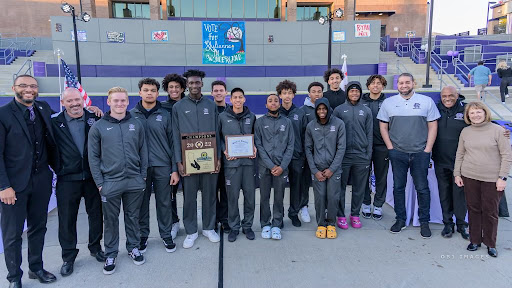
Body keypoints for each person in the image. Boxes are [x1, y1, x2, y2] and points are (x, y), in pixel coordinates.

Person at [0, 75, 58, 287]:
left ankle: (36, 268)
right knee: (12, 234)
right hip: (13, 186)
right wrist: (3, 186)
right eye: (24, 86)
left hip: (41, 180)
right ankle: (14, 277)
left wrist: (93, 111)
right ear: (14, 88)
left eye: (33, 86)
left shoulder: (43, 108)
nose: (29, 89)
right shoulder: (3, 114)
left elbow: (61, 122)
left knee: (38, 227)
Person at [88, 86, 148, 275]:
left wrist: (142, 175)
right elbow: (93, 157)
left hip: (134, 180)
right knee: (111, 220)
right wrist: (100, 183)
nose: (120, 103)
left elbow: (143, 151)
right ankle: (111, 253)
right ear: (109, 102)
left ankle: (133, 247)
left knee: (132, 217)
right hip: (110, 182)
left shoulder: (136, 124)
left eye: (123, 100)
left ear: (127, 102)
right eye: (116, 100)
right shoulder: (98, 127)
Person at [377, 73, 440, 238]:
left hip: (420, 153)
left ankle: (424, 222)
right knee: (398, 188)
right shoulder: (388, 103)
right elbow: (383, 127)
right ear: (397, 85)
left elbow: (433, 126)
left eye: (407, 82)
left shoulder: (426, 101)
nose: (403, 85)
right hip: (398, 153)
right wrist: (390, 147)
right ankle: (400, 219)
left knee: (422, 188)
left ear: (413, 83)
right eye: (400, 83)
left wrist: (427, 150)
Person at [51, 88, 105, 277]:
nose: (74, 104)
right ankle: (68, 256)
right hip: (67, 179)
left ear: (83, 100)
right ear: (62, 103)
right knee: (67, 219)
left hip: (92, 177)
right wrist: (59, 166)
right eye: (69, 101)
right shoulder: (53, 123)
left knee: (96, 215)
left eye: (77, 99)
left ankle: (95, 247)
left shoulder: (95, 118)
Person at [454, 102, 512, 257]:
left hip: (492, 178)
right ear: (467, 116)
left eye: (478, 112)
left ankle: (490, 243)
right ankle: (475, 240)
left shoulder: (498, 131)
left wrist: (502, 177)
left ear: (485, 112)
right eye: (472, 113)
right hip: (470, 175)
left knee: (490, 211)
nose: (475, 115)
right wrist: (457, 173)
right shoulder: (465, 132)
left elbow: (507, 155)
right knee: (473, 209)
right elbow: (460, 153)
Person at [172, 69, 221, 249]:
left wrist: (217, 158)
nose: (194, 85)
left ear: (202, 84)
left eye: (197, 82)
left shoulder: (211, 105)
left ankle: (208, 228)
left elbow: (217, 133)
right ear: (187, 84)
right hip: (188, 160)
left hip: (209, 159)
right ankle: (191, 231)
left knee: (209, 195)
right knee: (189, 197)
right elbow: (176, 137)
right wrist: (179, 161)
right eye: (191, 83)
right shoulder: (178, 107)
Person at [130, 78, 179, 254]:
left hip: (163, 166)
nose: (149, 93)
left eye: (153, 90)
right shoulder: (131, 115)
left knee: (164, 202)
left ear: (158, 94)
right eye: (146, 90)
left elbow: (174, 144)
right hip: (139, 168)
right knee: (141, 204)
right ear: (140, 92)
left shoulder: (166, 115)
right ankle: (143, 236)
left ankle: (166, 235)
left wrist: (174, 169)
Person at [218, 87, 257, 242]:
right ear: (230, 99)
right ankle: (234, 227)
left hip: (248, 164)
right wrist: (224, 150)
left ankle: (247, 226)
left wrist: (254, 147)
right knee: (232, 198)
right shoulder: (222, 117)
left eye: (241, 97)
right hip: (231, 165)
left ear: (244, 99)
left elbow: (256, 136)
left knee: (250, 197)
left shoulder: (252, 117)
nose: (238, 100)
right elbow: (219, 138)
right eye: (235, 97)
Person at [254, 93, 294, 240]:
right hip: (265, 167)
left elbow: (290, 146)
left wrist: (282, 166)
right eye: (270, 101)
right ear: (266, 105)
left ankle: (277, 224)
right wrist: (271, 165)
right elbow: (259, 145)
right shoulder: (259, 122)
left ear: (279, 103)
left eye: (276, 101)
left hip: (282, 167)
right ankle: (265, 223)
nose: (273, 103)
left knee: (279, 196)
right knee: (264, 196)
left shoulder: (287, 122)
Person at [305, 98, 346, 239]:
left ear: (328, 109)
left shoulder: (339, 124)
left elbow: (341, 148)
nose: (321, 112)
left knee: (333, 197)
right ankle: (321, 224)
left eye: (324, 109)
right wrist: (315, 171)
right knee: (320, 197)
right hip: (317, 169)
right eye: (319, 109)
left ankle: (331, 224)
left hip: (334, 169)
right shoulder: (311, 126)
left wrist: (332, 169)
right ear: (316, 110)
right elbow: (308, 149)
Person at [333, 81, 372, 229]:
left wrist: (368, 154)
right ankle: (341, 215)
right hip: (343, 156)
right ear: (347, 93)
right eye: (351, 91)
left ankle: (355, 214)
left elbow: (369, 134)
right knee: (340, 188)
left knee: (359, 187)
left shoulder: (366, 111)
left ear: (360, 93)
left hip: (361, 156)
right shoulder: (339, 110)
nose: (354, 94)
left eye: (357, 91)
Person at [277, 80, 307, 227]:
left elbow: (305, 135)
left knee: (296, 188)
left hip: (296, 157)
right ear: (280, 95)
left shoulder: (300, 113)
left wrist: (303, 155)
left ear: (294, 95)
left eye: (290, 93)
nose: (287, 96)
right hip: (280, 158)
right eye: (284, 93)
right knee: (279, 189)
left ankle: (294, 213)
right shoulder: (276, 113)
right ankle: (279, 216)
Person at [161, 73, 187, 240]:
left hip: (190, 153)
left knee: (190, 192)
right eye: (171, 87)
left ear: (182, 88)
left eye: (177, 87)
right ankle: (173, 222)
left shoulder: (189, 105)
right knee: (169, 193)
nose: (174, 89)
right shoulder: (162, 107)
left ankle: (190, 223)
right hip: (168, 154)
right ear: (166, 89)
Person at [360, 75, 388, 220]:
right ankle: (365, 203)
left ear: (383, 86)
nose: (375, 86)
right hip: (363, 146)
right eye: (373, 83)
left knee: (381, 177)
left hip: (382, 146)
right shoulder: (361, 101)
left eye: (379, 83)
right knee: (363, 176)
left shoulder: (388, 102)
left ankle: (378, 205)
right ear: (368, 86)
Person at [298, 81, 325, 223]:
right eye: (314, 91)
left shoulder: (326, 109)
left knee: (322, 182)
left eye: (319, 91)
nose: (317, 94)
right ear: (309, 94)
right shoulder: (303, 110)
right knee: (305, 181)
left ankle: (323, 208)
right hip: (308, 154)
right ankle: (304, 207)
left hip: (324, 155)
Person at [211, 80, 230, 233]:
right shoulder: (207, 110)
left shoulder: (231, 110)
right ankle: (212, 221)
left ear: (226, 93)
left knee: (224, 190)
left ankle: (224, 219)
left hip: (227, 157)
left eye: (221, 90)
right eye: (215, 90)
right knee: (211, 191)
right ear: (211, 93)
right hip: (209, 157)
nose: (218, 92)